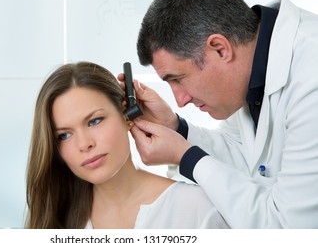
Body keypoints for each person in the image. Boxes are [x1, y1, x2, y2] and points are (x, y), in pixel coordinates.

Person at [123, 0, 318, 228]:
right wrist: (176, 128)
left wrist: (186, 157)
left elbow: (288, 229)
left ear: (219, 48)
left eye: (178, 79)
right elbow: (245, 156)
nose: (180, 100)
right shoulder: (254, 64)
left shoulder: (311, 74)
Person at [25, 61, 229, 229]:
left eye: (95, 121)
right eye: (64, 135)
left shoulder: (194, 209)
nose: (85, 144)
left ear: (127, 114)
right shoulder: (57, 219)